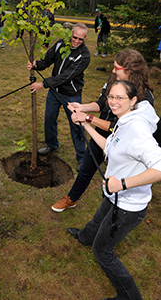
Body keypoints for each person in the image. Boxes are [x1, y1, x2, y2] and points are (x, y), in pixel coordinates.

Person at [66, 80, 161, 300]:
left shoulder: (137, 130)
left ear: (133, 100)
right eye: (111, 97)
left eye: (120, 98)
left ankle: (129, 297)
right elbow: (111, 146)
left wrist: (123, 183)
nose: (113, 102)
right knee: (98, 220)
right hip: (115, 195)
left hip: (129, 206)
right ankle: (84, 237)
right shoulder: (123, 121)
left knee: (103, 252)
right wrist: (86, 124)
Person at [52, 48, 154, 212]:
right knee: (86, 169)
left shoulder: (143, 98)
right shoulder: (114, 80)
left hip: (122, 144)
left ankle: (109, 210)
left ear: (129, 70)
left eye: (117, 68)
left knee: (113, 178)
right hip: (100, 134)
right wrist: (82, 107)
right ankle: (71, 198)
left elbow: (117, 129)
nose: (113, 71)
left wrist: (87, 119)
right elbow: (101, 104)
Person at [28, 23, 90, 167]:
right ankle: (51, 145)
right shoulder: (61, 44)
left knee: (76, 124)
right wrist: (36, 64)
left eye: (80, 39)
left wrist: (43, 84)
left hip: (71, 95)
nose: (76, 41)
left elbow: (67, 76)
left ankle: (82, 157)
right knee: (49, 119)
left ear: (85, 38)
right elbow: (48, 59)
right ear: (71, 34)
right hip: (54, 92)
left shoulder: (84, 55)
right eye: (74, 37)